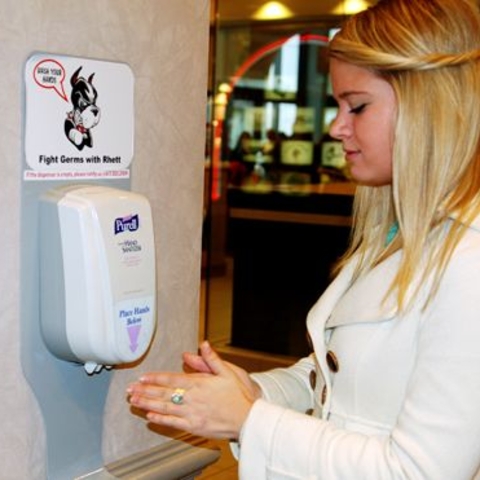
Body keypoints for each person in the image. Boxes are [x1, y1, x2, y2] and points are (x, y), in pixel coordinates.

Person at [126, 0, 480, 478]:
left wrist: (251, 420)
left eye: (357, 106)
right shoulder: (396, 232)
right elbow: (335, 379)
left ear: (428, 106)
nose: (337, 127)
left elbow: (419, 471)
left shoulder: (469, 259)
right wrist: (251, 392)